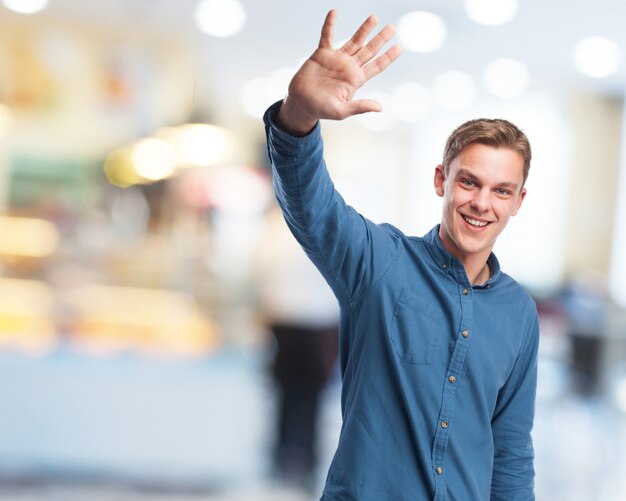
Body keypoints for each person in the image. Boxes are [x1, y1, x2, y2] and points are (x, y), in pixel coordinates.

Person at [263, 9, 539, 501]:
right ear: (441, 181)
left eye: (501, 190)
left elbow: (511, 452)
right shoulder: (380, 263)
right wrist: (298, 115)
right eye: (469, 182)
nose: (481, 203)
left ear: (518, 202)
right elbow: (312, 206)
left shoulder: (519, 312)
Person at [255, 205, 340, 489]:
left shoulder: (276, 223)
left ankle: (285, 457)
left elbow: (264, 270)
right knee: (309, 396)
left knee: (288, 393)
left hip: (289, 318)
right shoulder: (326, 220)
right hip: (314, 320)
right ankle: (303, 460)